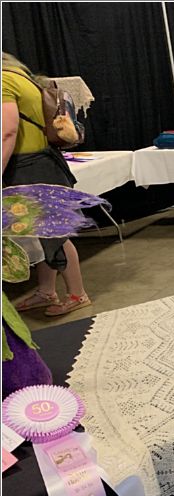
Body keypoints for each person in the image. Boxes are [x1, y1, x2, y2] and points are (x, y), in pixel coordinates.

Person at [2, 52, 91, 317]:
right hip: (39, 164)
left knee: (55, 234)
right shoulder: (22, 77)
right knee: (43, 232)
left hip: (30, 166)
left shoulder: (3, 81)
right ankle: (46, 291)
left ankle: (77, 294)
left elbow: (7, 131)